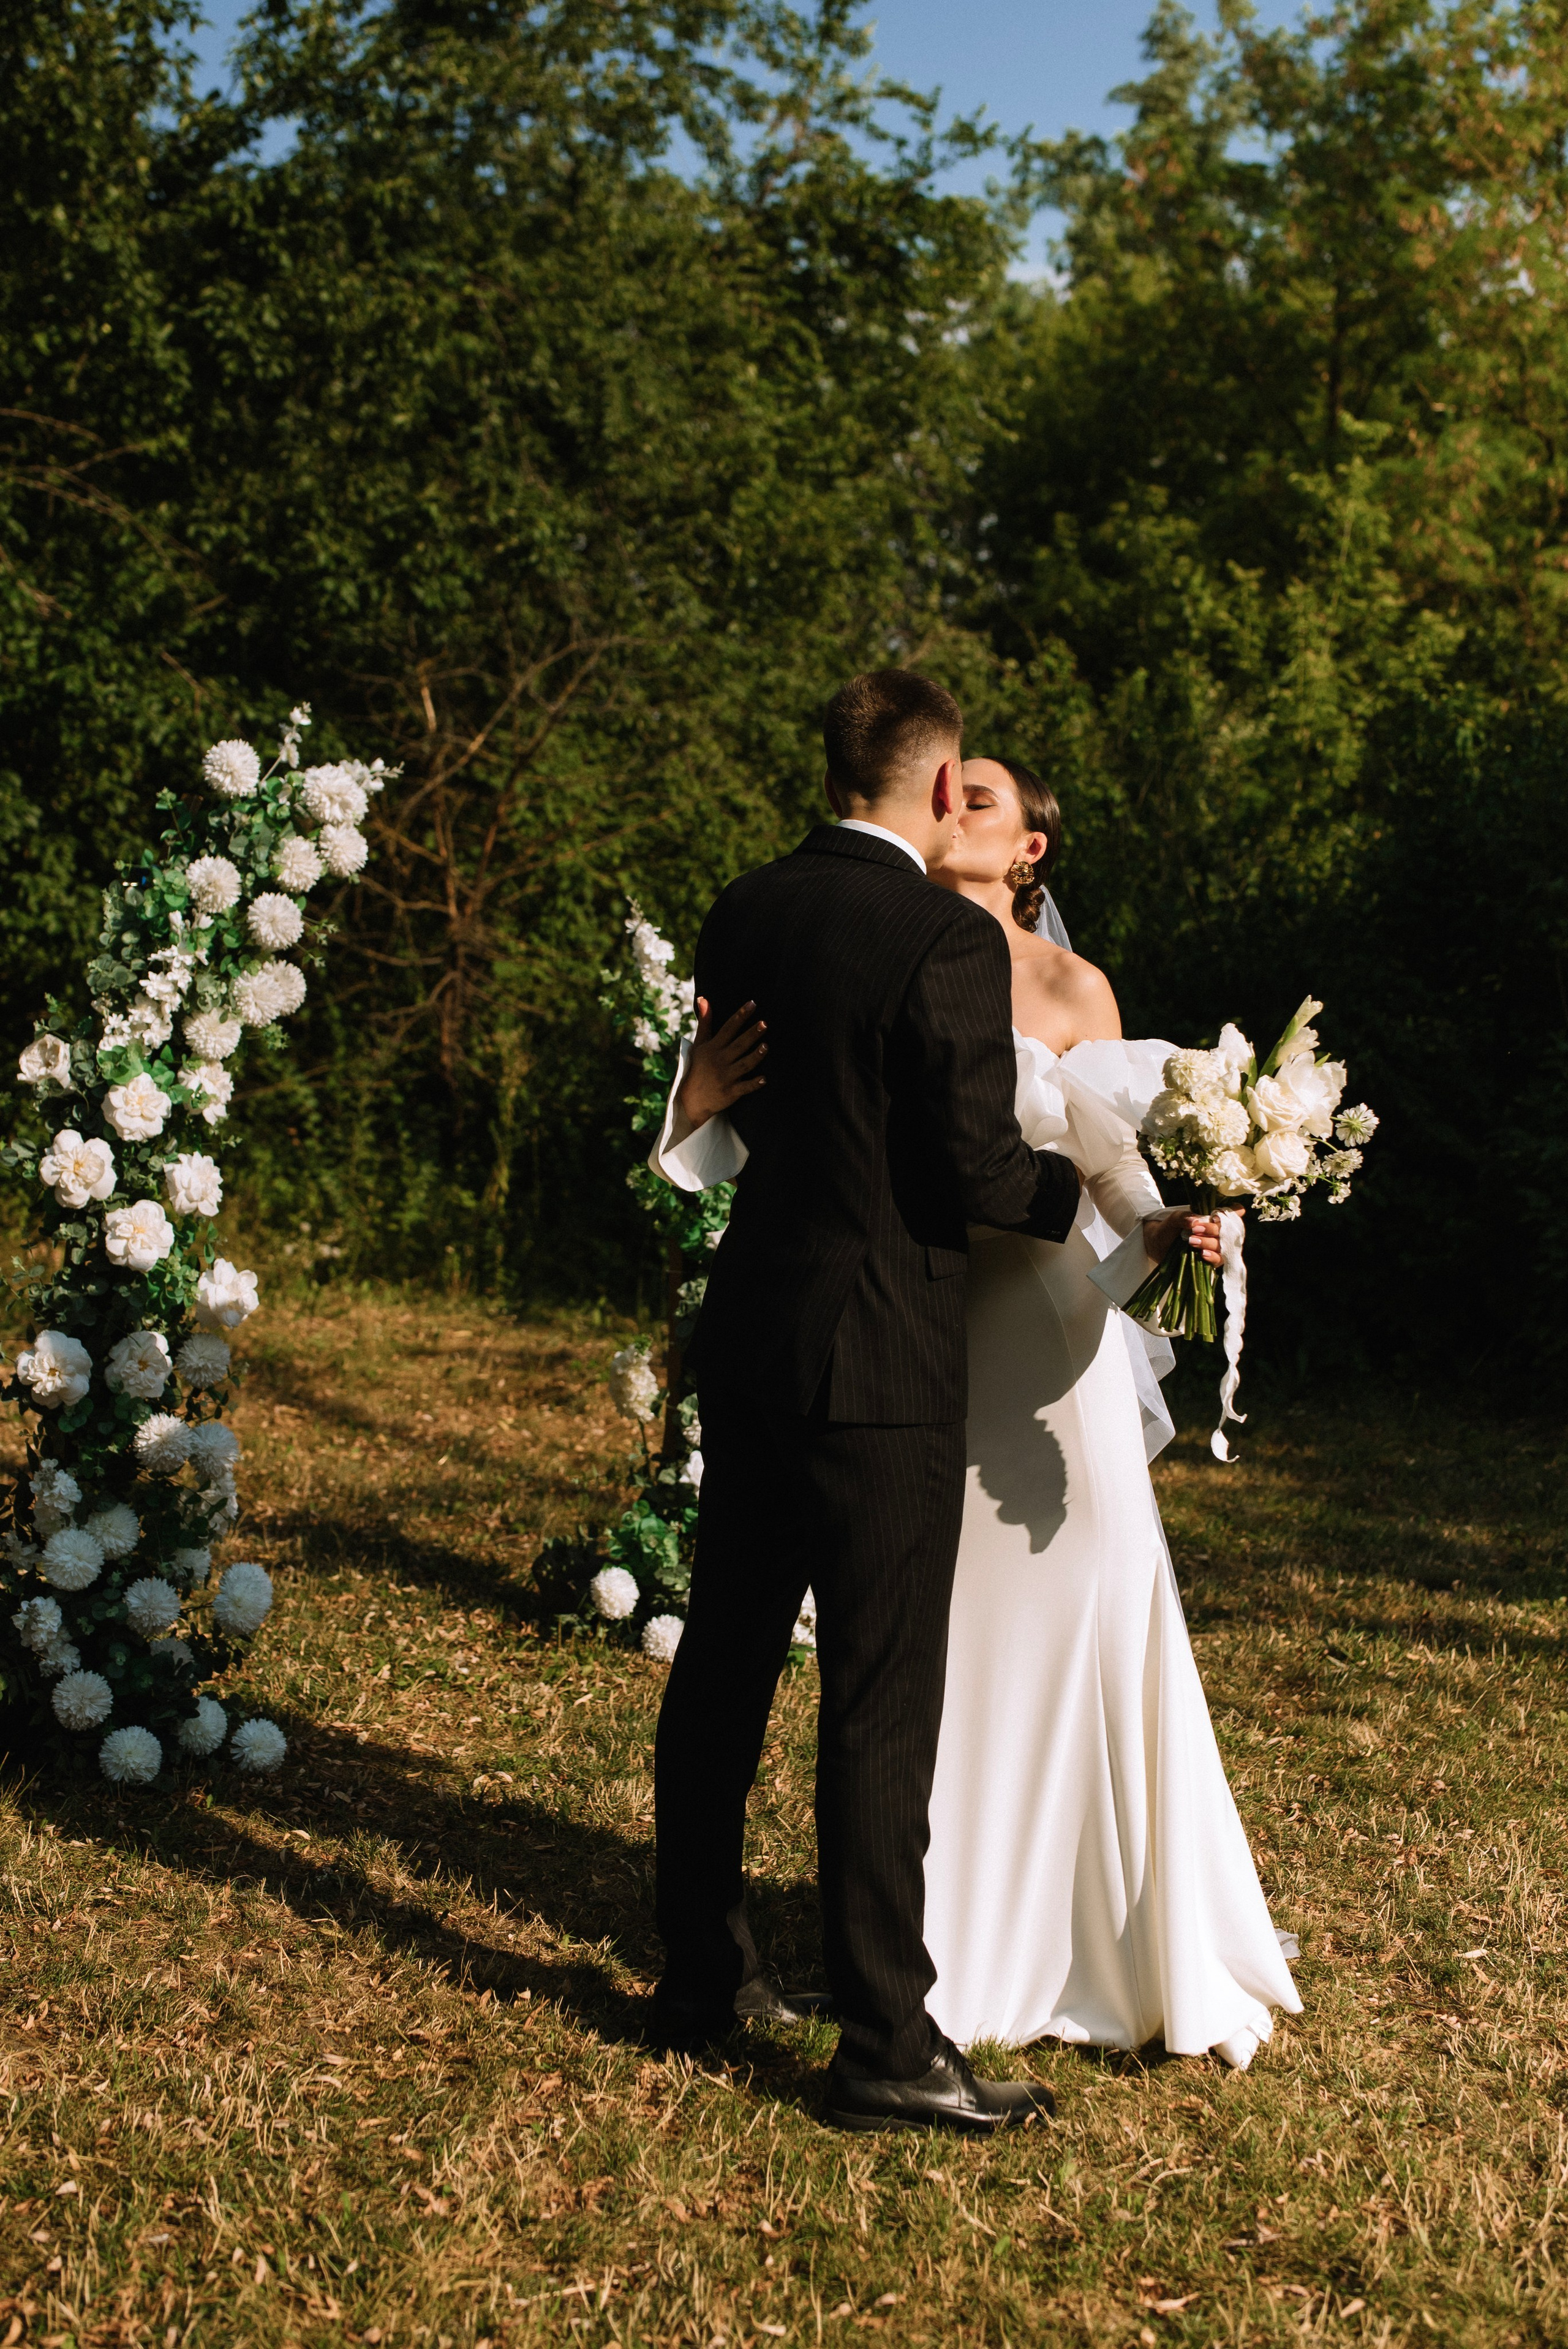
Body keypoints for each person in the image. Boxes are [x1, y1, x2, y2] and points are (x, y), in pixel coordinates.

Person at [661, 748, 1301, 2078]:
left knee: (1054, 1614)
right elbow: (846, 1122)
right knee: (908, 1657)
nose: (958, 803)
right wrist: (692, 1099)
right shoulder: (863, 929)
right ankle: (926, 1946)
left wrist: (1164, 1227)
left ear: (1028, 852)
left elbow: (1112, 1151)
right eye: (953, 786)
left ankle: (1077, 1934)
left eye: (987, 798)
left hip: (1034, 1325)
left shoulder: (1071, 987)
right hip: (902, 1333)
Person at [648, 670, 1086, 2133]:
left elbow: (758, 1105)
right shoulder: (933, 938)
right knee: (879, 1700)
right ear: (941, 780)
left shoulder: (744, 908)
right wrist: (1079, 1190)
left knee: (723, 1662)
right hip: (881, 1356)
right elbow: (973, 1169)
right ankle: (887, 2047)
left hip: (755, 1329)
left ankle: (701, 1981)